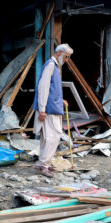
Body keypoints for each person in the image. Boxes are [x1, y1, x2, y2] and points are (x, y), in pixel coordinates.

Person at [33, 43, 74, 178]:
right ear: (60, 52)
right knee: (52, 136)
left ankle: (43, 163)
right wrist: (42, 109)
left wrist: (60, 100)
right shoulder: (51, 65)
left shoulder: (54, 66)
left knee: (48, 137)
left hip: (52, 108)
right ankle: (44, 164)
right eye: (67, 56)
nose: (67, 60)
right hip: (49, 110)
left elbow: (51, 88)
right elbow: (43, 87)